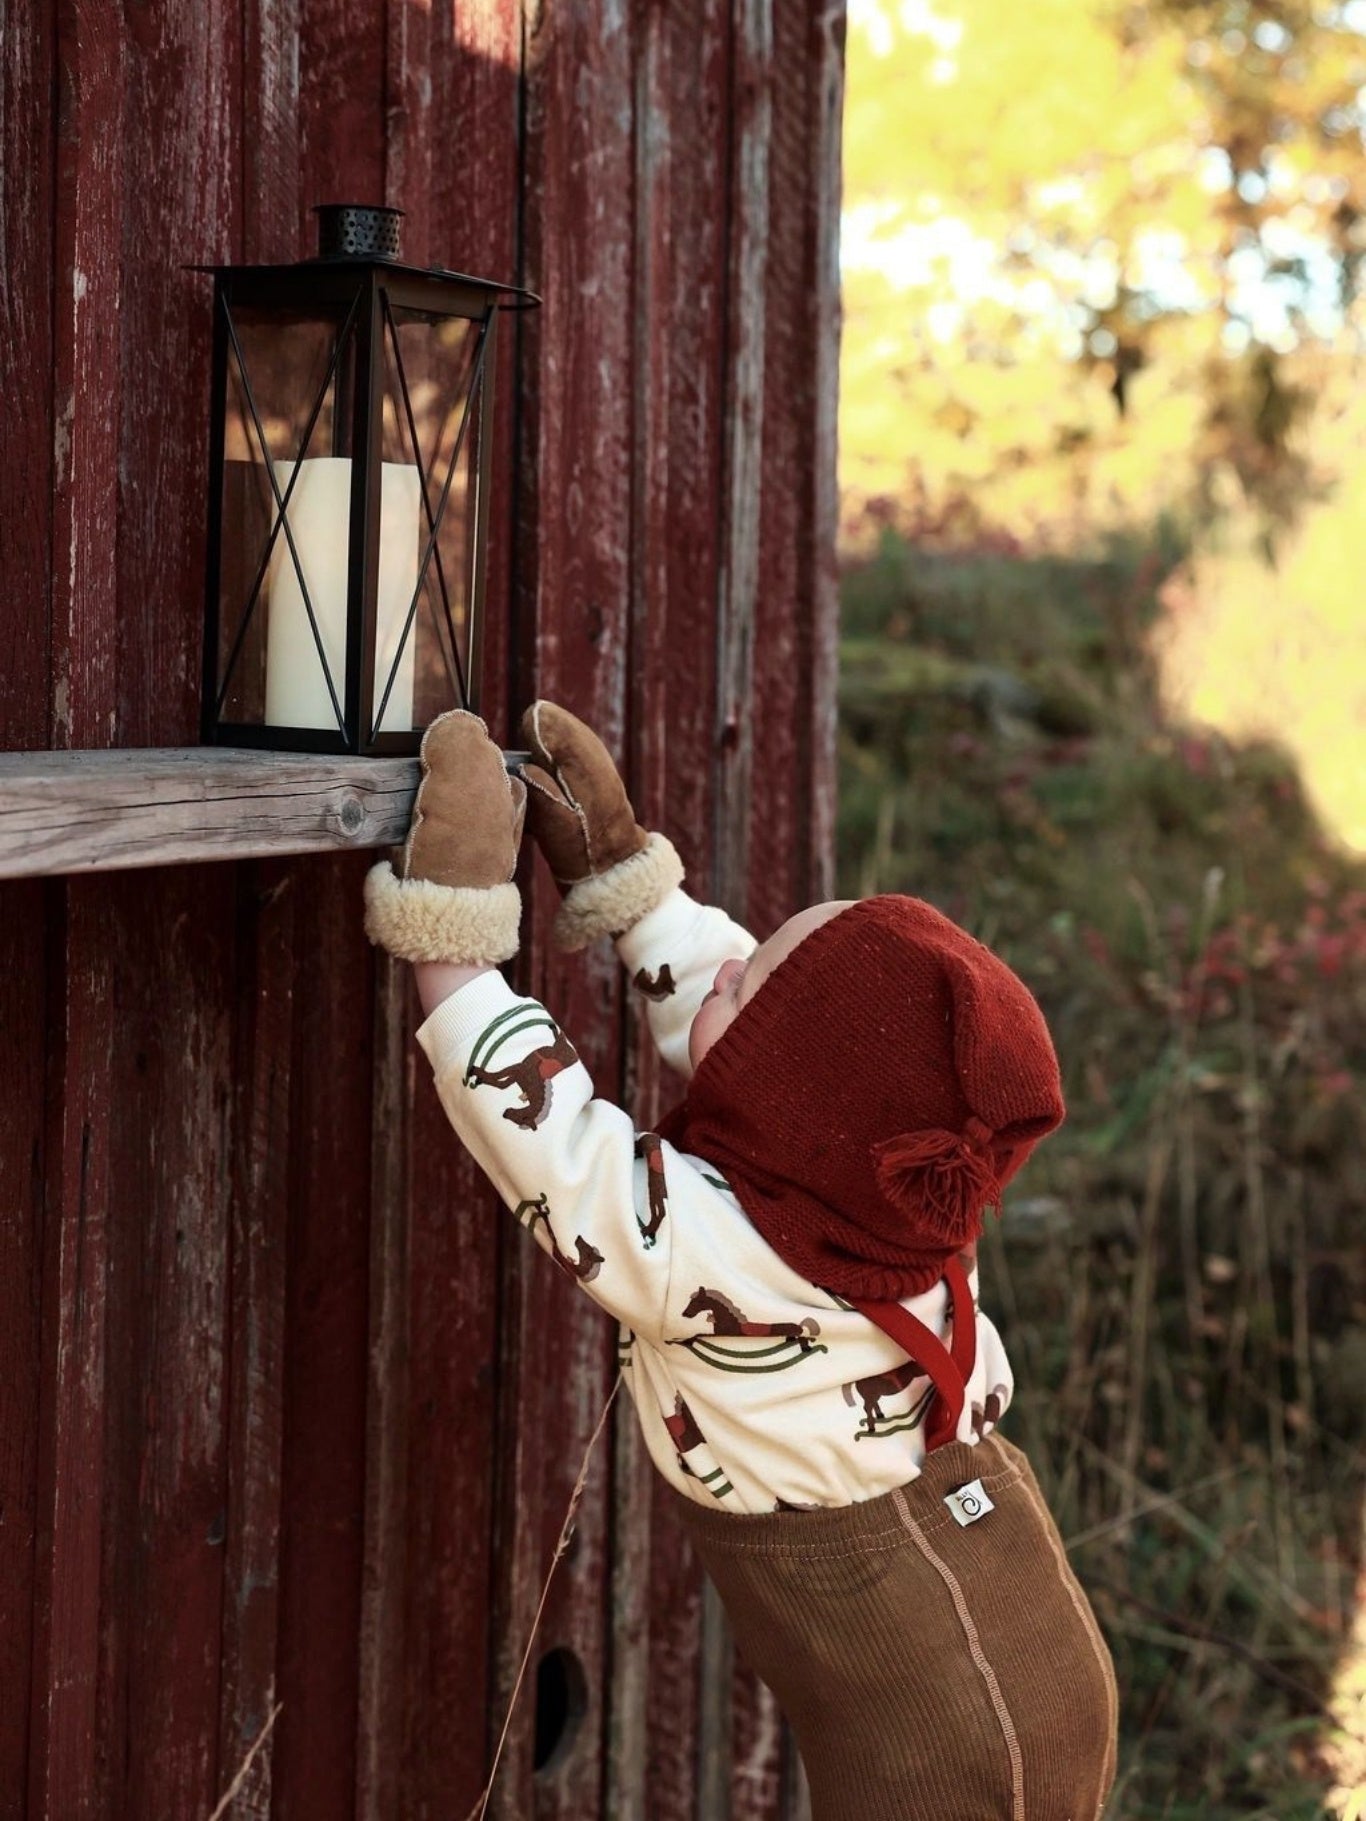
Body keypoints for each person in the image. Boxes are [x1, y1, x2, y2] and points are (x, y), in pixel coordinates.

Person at [363, 703, 1118, 1820]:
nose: (724, 967)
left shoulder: (713, 1254)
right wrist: (631, 890)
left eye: (744, 980)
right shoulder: (889, 1201)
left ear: (794, 1098)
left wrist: (457, 943)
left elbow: (553, 1147)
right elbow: (758, 1034)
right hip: (1034, 1644)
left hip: (939, 1734)